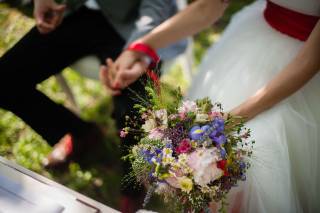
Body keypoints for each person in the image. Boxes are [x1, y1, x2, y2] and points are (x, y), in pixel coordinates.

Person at [102, 0, 320, 212]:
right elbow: (208, 6)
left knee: (258, 163)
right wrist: (142, 47)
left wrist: (228, 120)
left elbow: (310, 61)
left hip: (305, 73)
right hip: (256, 40)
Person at [0, 0, 186, 212]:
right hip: (82, 12)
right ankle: (81, 133)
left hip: (137, 25)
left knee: (133, 109)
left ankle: (133, 184)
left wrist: (138, 49)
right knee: (5, 80)